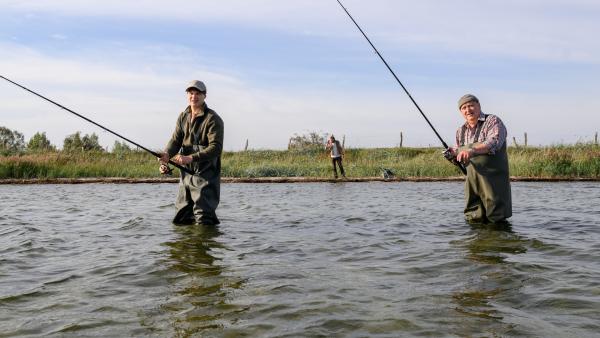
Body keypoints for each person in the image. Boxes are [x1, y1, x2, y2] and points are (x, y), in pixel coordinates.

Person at [159, 80, 224, 225]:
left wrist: (190, 158)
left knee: (203, 217)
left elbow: (216, 148)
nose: (194, 96)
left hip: (206, 174)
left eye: (198, 93)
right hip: (186, 173)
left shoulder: (213, 119)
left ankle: (205, 244)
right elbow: (175, 140)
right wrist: (166, 156)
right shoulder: (183, 116)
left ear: (204, 96)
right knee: (181, 216)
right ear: (187, 95)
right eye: (191, 93)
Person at [444, 94, 512, 223]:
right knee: (473, 218)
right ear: (460, 111)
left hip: (494, 182)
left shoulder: (492, 121)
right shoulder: (460, 131)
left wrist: (472, 151)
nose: (468, 110)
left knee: (496, 218)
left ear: (479, 105)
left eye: (471, 105)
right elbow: (460, 160)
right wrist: (452, 155)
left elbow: (494, 142)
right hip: (472, 183)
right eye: (464, 108)